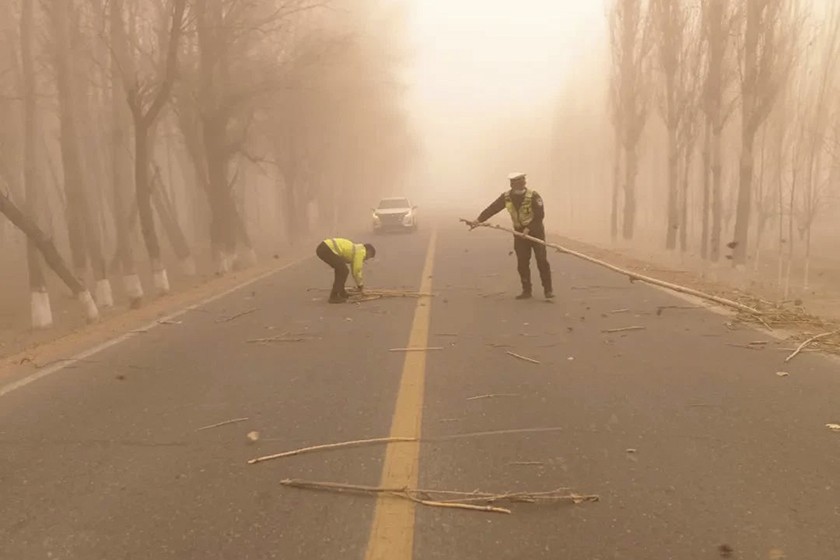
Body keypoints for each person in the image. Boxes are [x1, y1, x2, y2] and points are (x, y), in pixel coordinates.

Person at [467, 172, 553, 300]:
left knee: (541, 260)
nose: (520, 184)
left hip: (536, 232)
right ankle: (526, 290)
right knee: (522, 262)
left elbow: (539, 215)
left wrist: (528, 229)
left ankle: (548, 290)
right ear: (512, 184)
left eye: (522, 182)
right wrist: (478, 220)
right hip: (518, 233)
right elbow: (493, 208)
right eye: (516, 183)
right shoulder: (506, 197)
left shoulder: (534, 196)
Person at [315, 238, 376, 303]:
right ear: (368, 251)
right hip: (327, 249)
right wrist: (360, 285)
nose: (367, 259)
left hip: (324, 247)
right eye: (369, 256)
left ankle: (341, 292)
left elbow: (353, 269)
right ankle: (334, 296)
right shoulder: (361, 252)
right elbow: (357, 271)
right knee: (343, 270)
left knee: (342, 270)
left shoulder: (357, 250)